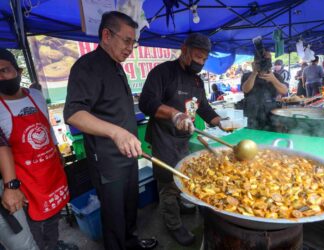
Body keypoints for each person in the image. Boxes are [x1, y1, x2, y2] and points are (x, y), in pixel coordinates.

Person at [63, 11, 157, 250]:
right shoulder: (88, 67)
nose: (130, 48)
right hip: (107, 160)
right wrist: (116, 132)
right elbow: (74, 114)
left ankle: (131, 242)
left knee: (129, 206)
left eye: (133, 43)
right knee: (114, 215)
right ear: (106, 34)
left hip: (126, 156)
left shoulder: (116, 66)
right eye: (127, 41)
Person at [139, 33, 222, 246]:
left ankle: (181, 205)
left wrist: (217, 119)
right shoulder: (163, 72)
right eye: (197, 57)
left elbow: (201, 105)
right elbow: (147, 102)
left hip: (184, 138)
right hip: (163, 138)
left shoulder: (196, 80)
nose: (200, 63)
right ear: (184, 50)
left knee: (185, 175)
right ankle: (173, 224)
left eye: (204, 59)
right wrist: (174, 114)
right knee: (168, 182)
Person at [0, 49, 71, 250]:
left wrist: (57, 150)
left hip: (50, 170)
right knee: (34, 228)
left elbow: (47, 127)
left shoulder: (36, 95)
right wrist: (10, 187)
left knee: (54, 218)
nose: (1, 77)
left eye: (5, 70)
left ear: (18, 71)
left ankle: (53, 245)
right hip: (27, 180)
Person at [241, 51, 288, 130]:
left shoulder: (276, 76)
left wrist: (273, 79)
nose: (263, 63)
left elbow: (284, 91)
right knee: (252, 136)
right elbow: (245, 90)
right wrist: (254, 73)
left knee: (270, 136)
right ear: (255, 62)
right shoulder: (247, 76)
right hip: (252, 112)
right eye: (260, 61)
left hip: (271, 113)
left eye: (266, 60)